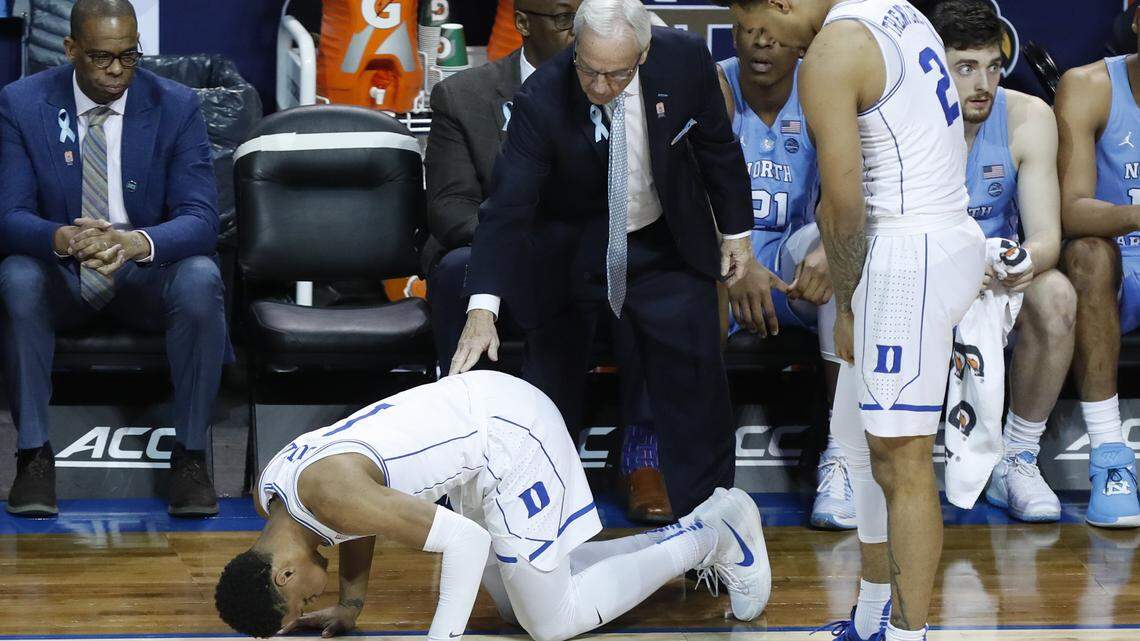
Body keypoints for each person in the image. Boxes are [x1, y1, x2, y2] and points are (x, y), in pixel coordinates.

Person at [449, 0, 760, 518]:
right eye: (588, 69)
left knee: (697, 395)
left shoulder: (684, 61)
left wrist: (736, 233)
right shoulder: (543, 97)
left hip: (664, 243)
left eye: (614, 74)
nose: (598, 86)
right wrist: (483, 308)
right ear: (575, 45)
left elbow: (717, 149)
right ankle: (540, 533)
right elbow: (506, 207)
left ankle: (715, 535)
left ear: (642, 53)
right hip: (568, 250)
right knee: (547, 398)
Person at [749, 1, 986, 640]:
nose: (771, 38)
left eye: (767, 22)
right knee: (858, 444)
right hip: (940, 233)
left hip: (907, 256)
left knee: (901, 459)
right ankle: (870, 617)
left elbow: (844, 207)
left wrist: (848, 306)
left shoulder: (831, 50)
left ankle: (909, 635)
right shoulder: (896, 8)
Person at [214, 371, 771, 639]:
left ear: (283, 572)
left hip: (510, 434)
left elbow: (466, 540)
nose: (308, 602)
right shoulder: (277, 493)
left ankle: (715, 535)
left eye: (297, 603)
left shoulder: (327, 492)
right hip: (477, 439)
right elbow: (355, 524)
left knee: (551, 621)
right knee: (517, 609)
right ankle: (701, 529)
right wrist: (351, 606)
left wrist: (443, 638)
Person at [423, 0, 672, 523]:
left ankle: (642, 455)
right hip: (510, 257)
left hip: (599, 254)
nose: (577, 30)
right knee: (454, 270)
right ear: (522, 23)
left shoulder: (623, 83)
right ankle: (463, 453)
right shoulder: (463, 95)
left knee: (647, 264)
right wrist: (529, 246)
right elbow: (450, 208)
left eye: (581, 16)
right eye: (562, 19)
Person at [0, 0, 228, 518]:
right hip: (63, 271)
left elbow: (200, 218)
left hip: (142, 273)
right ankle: (33, 455)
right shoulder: (22, 102)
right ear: (71, 49)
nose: (117, 70)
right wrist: (62, 238)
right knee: (16, 275)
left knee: (200, 277)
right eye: (102, 57)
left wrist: (135, 243)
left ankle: (190, 456)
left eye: (129, 56)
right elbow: (8, 215)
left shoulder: (175, 104)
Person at [929, 0, 1074, 523]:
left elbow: (1047, 240)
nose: (983, 83)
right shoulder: (903, 120)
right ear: (932, 66)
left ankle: (1017, 458)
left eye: (992, 65)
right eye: (965, 68)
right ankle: (868, 458)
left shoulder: (1027, 116)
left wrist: (1014, 259)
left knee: (1057, 295)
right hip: (926, 270)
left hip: (1000, 276)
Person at [717, 0, 853, 531]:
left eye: (773, 35)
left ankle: (841, 459)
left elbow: (848, 191)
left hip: (794, 263)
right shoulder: (715, 86)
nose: (761, 44)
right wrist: (733, 258)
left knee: (844, 261)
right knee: (693, 277)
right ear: (733, 35)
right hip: (725, 258)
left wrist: (829, 248)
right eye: (749, 33)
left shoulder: (823, 89)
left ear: (800, 41)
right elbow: (691, 194)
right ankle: (702, 470)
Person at [1053, 6, 1140, 529]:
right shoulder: (1088, 86)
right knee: (1086, 253)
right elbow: (1072, 208)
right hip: (1117, 267)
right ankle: (1111, 458)